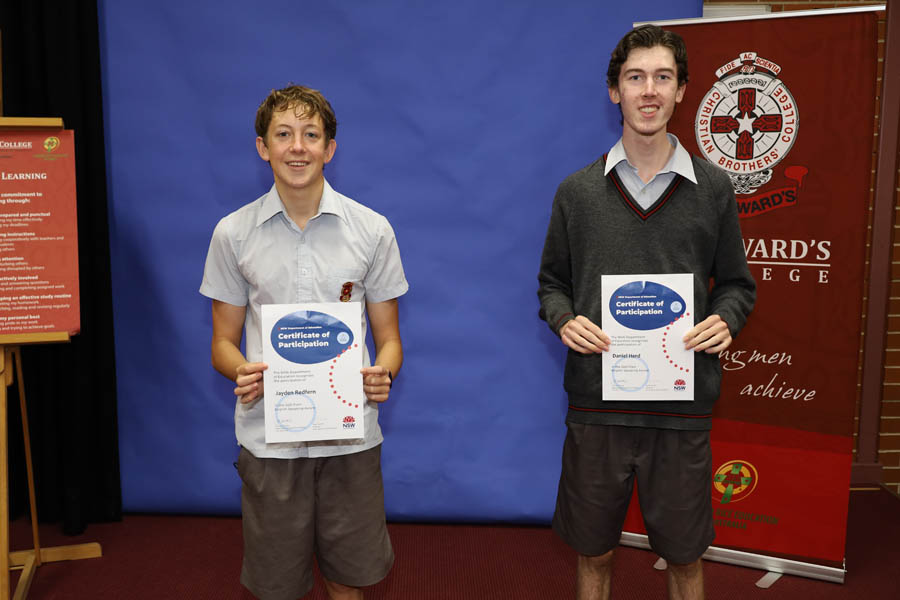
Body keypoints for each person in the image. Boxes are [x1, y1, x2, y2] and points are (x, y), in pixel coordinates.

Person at [537, 25, 756, 600]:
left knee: (684, 558)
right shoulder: (577, 192)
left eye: (663, 77)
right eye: (635, 78)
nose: (649, 90)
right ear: (615, 91)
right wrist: (564, 319)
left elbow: (736, 285)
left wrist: (726, 318)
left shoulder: (713, 189)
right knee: (594, 552)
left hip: (680, 412)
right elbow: (552, 284)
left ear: (681, 90)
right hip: (597, 408)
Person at [200, 85, 408, 600]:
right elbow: (222, 342)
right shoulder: (232, 234)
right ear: (262, 147)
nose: (298, 147)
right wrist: (239, 369)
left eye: (311, 135)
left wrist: (382, 373)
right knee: (278, 588)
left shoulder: (372, 230)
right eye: (284, 134)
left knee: (347, 580)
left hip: (350, 438)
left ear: (329, 148)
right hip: (269, 438)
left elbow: (390, 341)